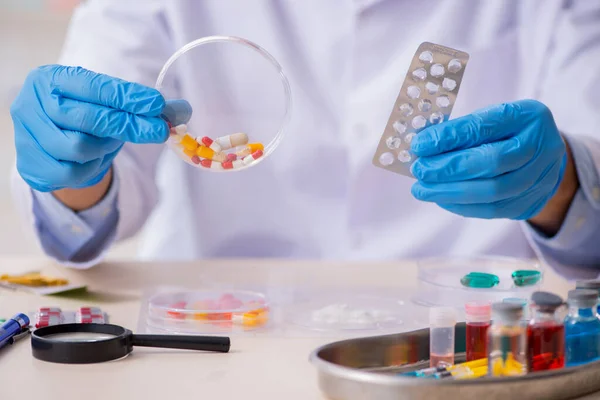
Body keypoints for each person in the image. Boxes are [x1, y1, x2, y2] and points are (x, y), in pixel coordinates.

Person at [9, 0, 600, 277]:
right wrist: (72, 171)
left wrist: (560, 185)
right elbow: (91, 203)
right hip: (217, 331)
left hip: (468, 328)